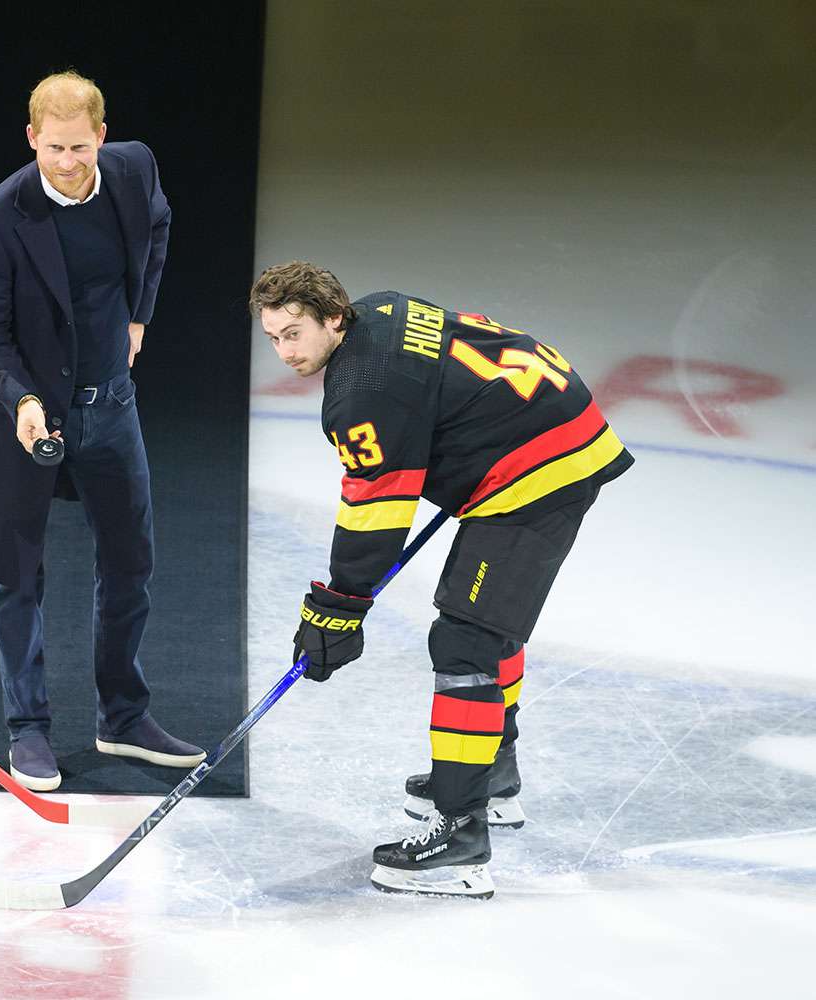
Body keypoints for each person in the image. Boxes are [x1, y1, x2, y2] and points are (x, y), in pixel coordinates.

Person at [251, 262, 633, 898]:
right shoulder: (382, 309)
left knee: (467, 641)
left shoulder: (360, 394)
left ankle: (460, 836)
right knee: (486, 625)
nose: (284, 351)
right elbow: (445, 388)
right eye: (272, 336)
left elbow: (376, 515)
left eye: (294, 334)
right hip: (551, 424)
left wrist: (337, 608)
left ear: (333, 319)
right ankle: (487, 776)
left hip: (542, 467)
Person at [0, 70, 204, 791]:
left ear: (102, 135)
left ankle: (122, 717)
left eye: (80, 147)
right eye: (53, 148)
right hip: (27, 414)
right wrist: (23, 401)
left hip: (113, 406)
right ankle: (28, 729)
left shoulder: (133, 168)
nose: (68, 162)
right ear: (32, 138)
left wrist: (138, 315)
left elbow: (158, 226)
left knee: (131, 563)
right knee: (16, 574)